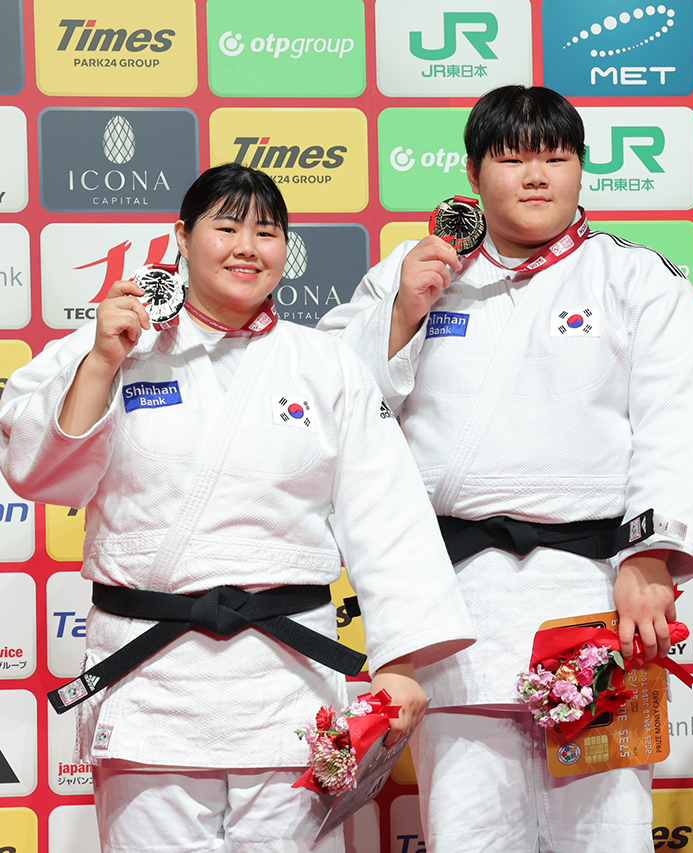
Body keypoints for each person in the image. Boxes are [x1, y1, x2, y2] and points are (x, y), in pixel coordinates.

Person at [0, 164, 475, 853]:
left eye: (267, 231)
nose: (247, 245)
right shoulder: (116, 343)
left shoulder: (326, 363)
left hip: (286, 681)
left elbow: (388, 513)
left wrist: (404, 658)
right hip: (150, 681)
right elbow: (41, 469)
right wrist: (102, 360)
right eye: (226, 227)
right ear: (181, 239)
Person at [317, 85, 693, 853]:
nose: (536, 176)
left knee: (604, 834)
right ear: (473, 173)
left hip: (594, 590)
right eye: (512, 157)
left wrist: (651, 555)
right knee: (468, 830)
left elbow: (675, 425)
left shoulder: (638, 280)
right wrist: (401, 314)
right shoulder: (415, 270)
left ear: (581, 169)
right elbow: (335, 407)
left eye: (555, 157)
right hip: (455, 601)